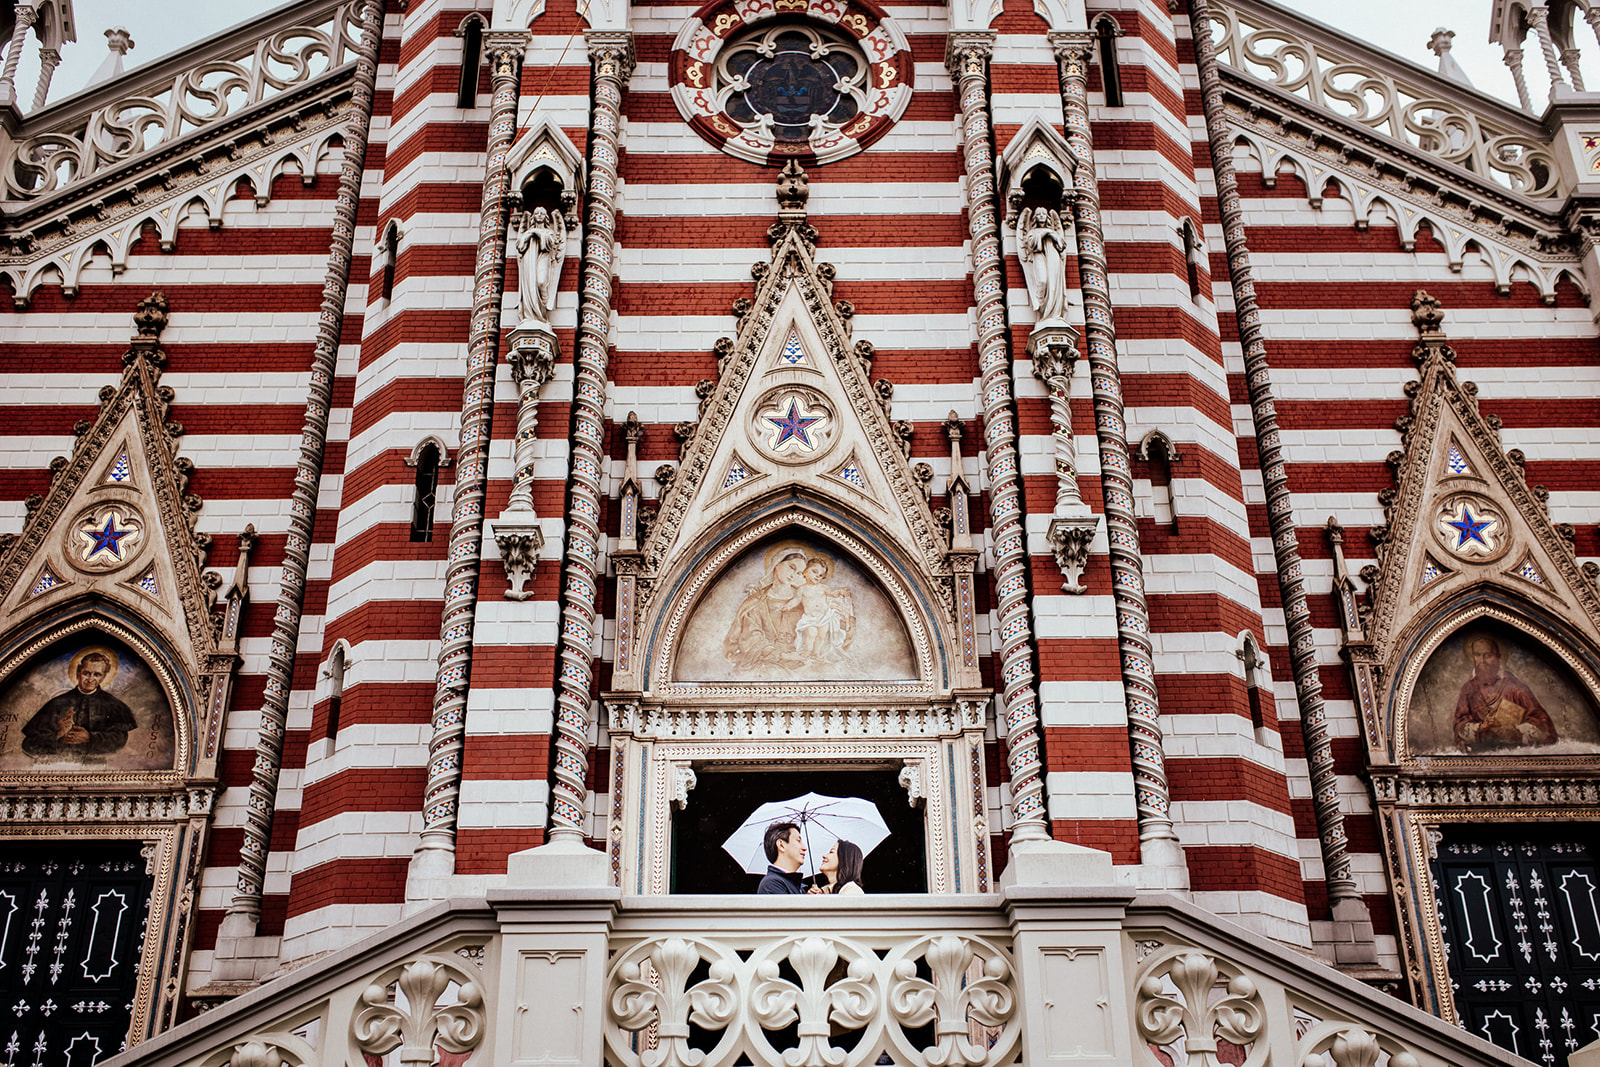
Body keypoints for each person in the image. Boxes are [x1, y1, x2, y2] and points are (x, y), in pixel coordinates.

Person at [21, 651, 137, 759]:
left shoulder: (114, 705)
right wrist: (58, 735)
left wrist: (90, 738)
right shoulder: (56, 704)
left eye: (97, 674)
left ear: (103, 677)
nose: (90, 679)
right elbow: (28, 744)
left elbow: (119, 741)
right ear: (78, 672)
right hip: (57, 765)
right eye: (86, 673)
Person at [1452, 635, 1558, 751]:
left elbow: (1545, 728)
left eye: (1488, 656)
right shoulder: (1468, 689)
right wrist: (1480, 728)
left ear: (1498, 657)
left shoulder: (1516, 687)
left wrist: (1516, 731)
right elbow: (1459, 726)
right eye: (1477, 655)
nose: (1482, 661)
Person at [793, 557, 854, 661]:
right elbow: (796, 600)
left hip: (824, 617)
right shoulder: (802, 589)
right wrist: (789, 606)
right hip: (810, 618)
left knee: (821, 636)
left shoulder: (824, 588)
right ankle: (808, 651)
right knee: (812, 633)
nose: (818, 576)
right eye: (815, 572)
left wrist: (839, 592)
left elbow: (832, 593)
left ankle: (816, 653)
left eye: (821, 575)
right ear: (805, 572)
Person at [756, 821, 807, 894]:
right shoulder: (771, 884)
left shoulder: (795, 885)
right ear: (781, 845)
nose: (804, 848)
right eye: (798, 841)